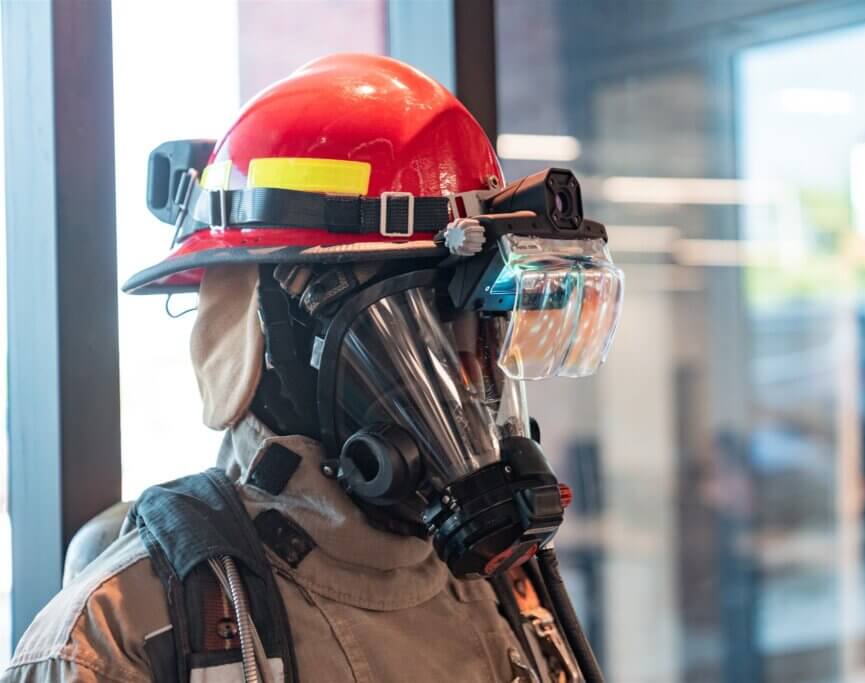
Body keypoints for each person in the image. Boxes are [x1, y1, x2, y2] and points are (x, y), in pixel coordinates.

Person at [2, 53, 622, 683]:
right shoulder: (119, 638)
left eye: (482, 328)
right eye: (426, 330)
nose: (468, 379)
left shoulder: (507, 590)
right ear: (267, 331)